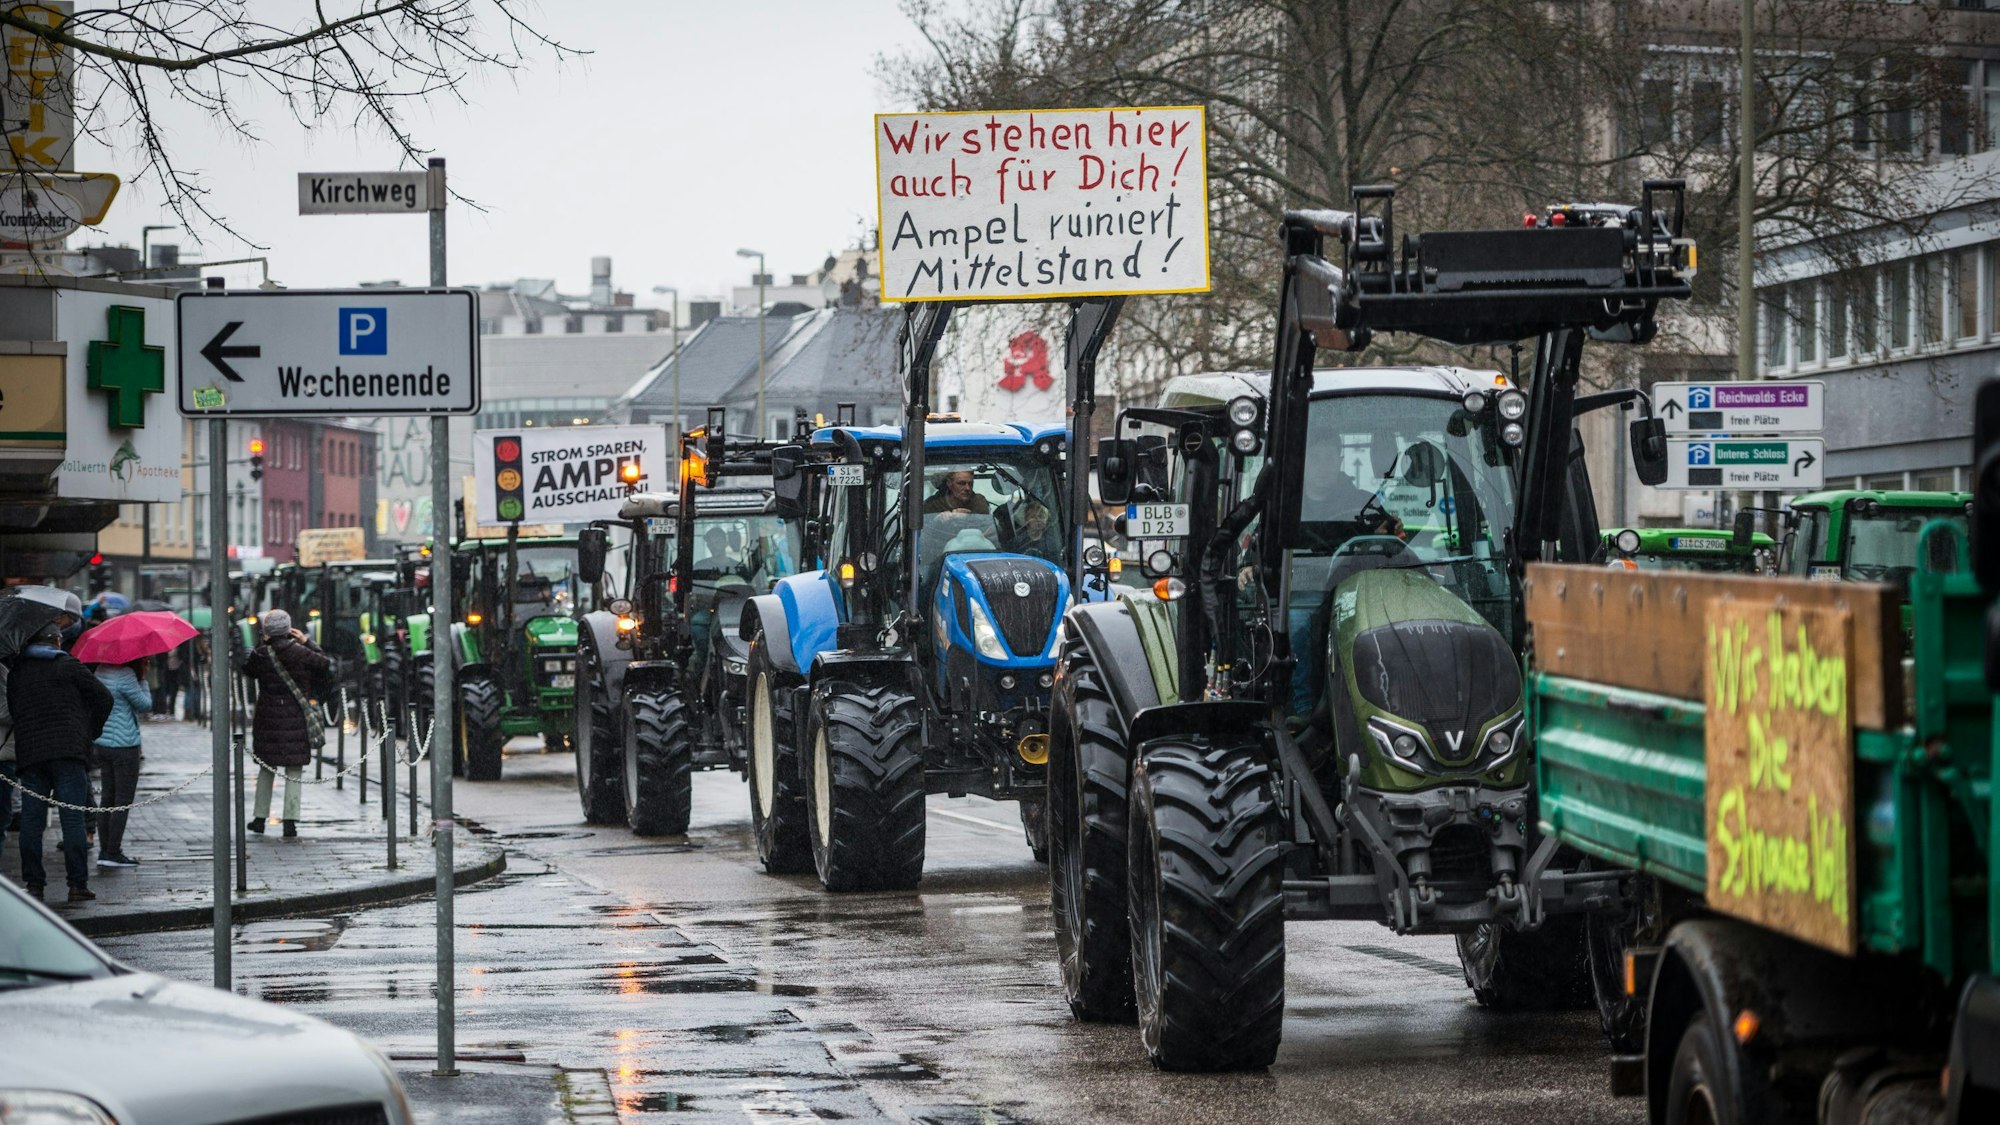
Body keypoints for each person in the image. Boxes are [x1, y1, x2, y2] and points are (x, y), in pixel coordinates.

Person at [7, 620, 113, 901]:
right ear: (55, 641)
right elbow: (104, 697)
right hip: (68, 752)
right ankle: (77, 884)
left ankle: (34, 885)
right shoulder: (69, 665)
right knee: (72, 817)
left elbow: (14, 708)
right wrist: (89, 731)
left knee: (32, 821)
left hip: (31, 754)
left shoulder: (18, 671)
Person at [238, 609, 331, 838]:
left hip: (267, 718)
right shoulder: (300, 652)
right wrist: (308, 642)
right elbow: (324, 664)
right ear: (289, 630)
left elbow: (247, 669)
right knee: (294, 770)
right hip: (296, 717)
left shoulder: (260, 655)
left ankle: (259, 819)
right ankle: (290, 821)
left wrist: (265, 640)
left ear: (267, 631)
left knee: (266, 768)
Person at [91, 657, 154, 869]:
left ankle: (104, 850)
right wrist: (143, 679)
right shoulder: (126, 675)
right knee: (122, 800)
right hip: (125, 745)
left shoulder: (101, 669)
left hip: (104, 742)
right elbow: (145, 705)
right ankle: (113, 851)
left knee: (107, 798)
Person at [923, 470, 990, 515]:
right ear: (949, 483)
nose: (967, 488)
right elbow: (925, 531)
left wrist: (970, 516)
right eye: (961, 483)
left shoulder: (978, 501)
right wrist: (938, 519)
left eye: (970, 484)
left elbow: (986, 527)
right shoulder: (933, 504)